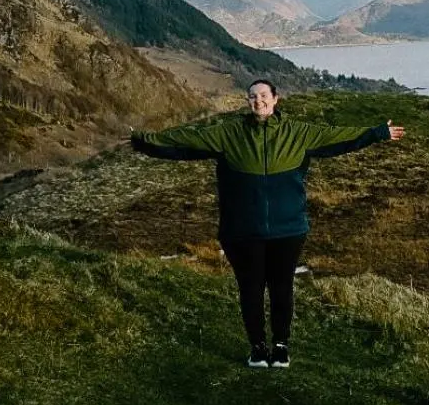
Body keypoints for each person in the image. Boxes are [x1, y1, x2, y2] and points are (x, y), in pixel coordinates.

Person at [131, 79, 405, 368]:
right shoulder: (229, 133)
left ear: (276, 99)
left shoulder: (298, 133)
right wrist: (142, 141)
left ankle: (281, 346)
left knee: (281, 288)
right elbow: (187, 139)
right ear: (247, 102)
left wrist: (377, 133)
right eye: (252, 97)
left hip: (288, 229)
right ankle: (258, 347)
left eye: (263, 95)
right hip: (241, 231)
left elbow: (338, 137)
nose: (258, 101)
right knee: (250, 289)